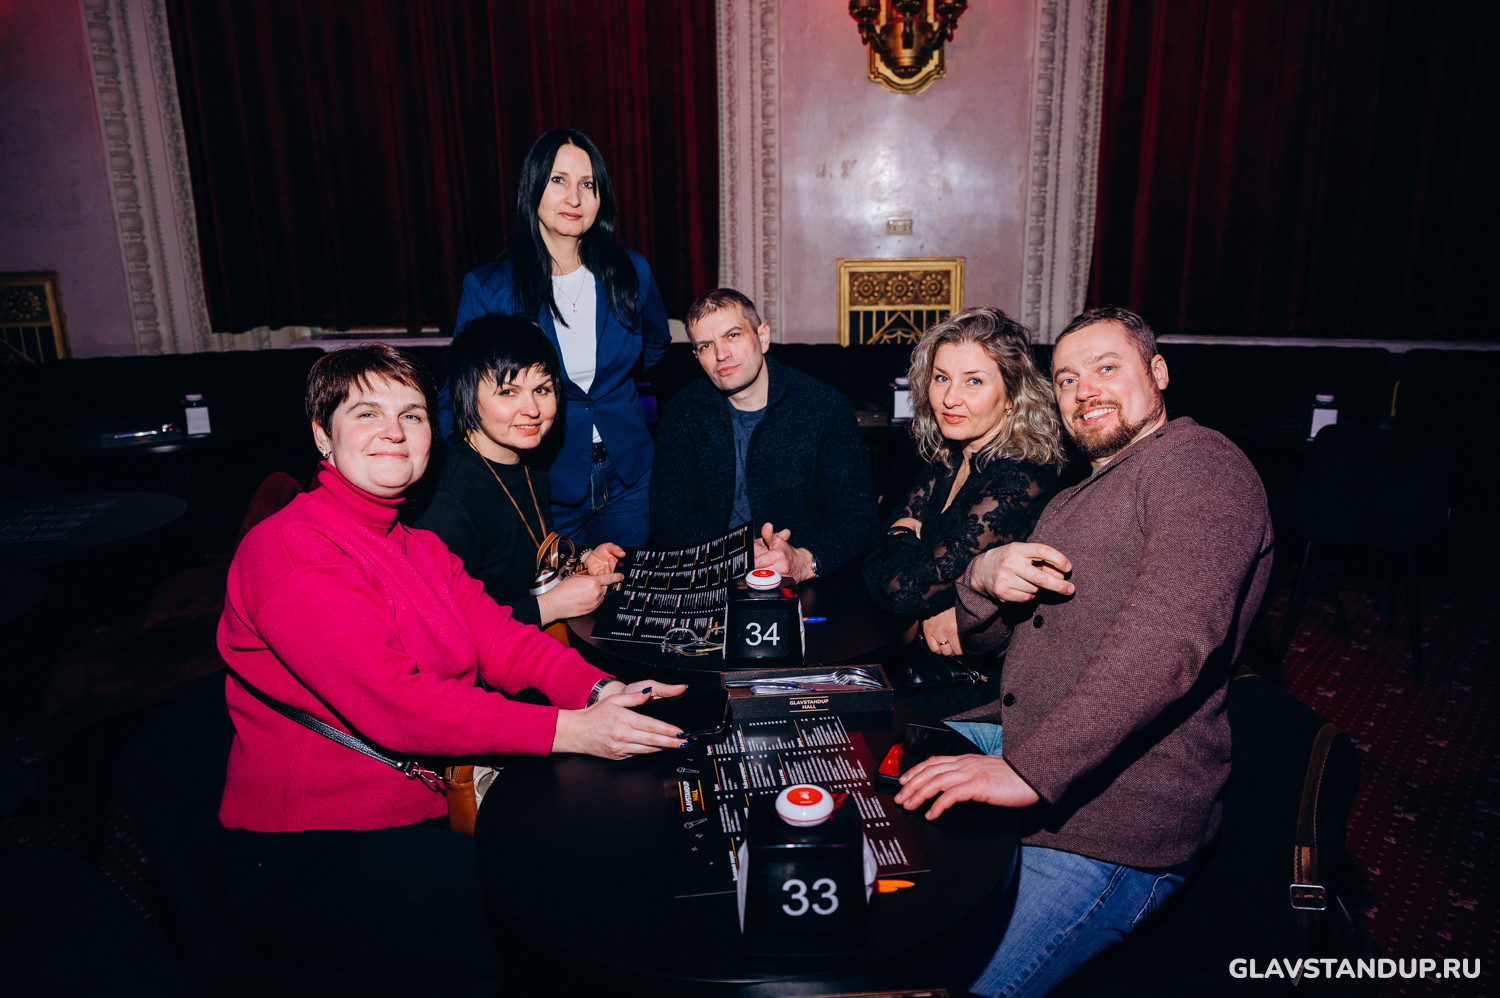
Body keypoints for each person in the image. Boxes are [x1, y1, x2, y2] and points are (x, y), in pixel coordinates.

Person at [215, 344, 686, 986]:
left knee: (604, 854)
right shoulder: (293, 550)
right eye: (366, 413)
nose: (394, 432)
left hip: (423, 803)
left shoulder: (417, 544)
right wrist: (573, 730)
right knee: (559, 914)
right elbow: (397, 703)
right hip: (313, 847)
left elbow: (503, 640)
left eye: (411, 415)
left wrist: (602, 689)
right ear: (323, 436)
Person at [894, 307, 1275, 998]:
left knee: (949, 986)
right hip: (1026, 733)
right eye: (1067, 378)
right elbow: (1005, 640)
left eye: (1106, 367)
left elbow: (1170, 640)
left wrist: (1029, 771)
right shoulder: (1075, 497)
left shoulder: (1199, 464)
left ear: (1158, 372)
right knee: (861, 764)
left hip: (1116, 816)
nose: (1084, 389)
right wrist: (982, 578)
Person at [449, 127, 671, 546]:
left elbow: (656, 345)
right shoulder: (490, 288)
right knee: (559, 588)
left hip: (628, 475)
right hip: (540, 480)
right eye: (558, 180)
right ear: (533, 188)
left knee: (626, 586)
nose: (574, 198)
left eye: (587, 184)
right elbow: (460, 392)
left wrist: (615, 381)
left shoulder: (632, 271)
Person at [863, 307, 1066, 664]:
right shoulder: (949, 456)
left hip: (975, 678)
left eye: (974, 381)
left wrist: (904, 536)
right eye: (941, 378)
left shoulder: (1020, 480)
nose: (950, 398)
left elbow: (900, 590)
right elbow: (876, 558)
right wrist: (931, 591)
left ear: (1012, 395)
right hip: (917, 658)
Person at [650, 287, 877, 581]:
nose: (721, 354)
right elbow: (669, 516)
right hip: (713, 574)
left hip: (808, 581)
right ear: (696, 356)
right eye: (706, 345)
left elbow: (858, 516)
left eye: (733, 335)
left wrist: (806, 561)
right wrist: (735, 554)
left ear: (763, 337)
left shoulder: (824, 407)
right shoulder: (683, 413)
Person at [413, 314, 624, 629]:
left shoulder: (526, 456)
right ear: (467, 395)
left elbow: (524, 553)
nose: (533, 410)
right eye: (508, 392)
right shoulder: (446, 502)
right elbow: (445, 625)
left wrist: (581, 558)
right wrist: (548, 607)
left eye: (542, 390)